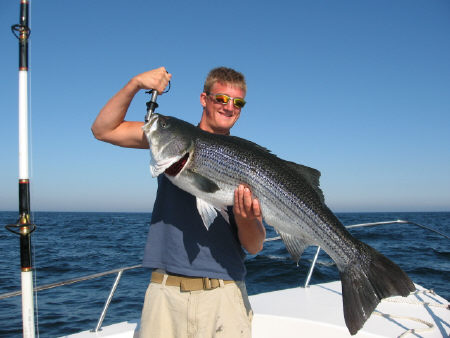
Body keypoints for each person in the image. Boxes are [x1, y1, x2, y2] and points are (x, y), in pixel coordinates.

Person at [91, 66, 266, 337]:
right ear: (204, 99)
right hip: (165, 293)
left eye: (237, 102)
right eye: (221, 98)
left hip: (226, 294)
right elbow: (103, 129)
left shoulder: (248, 161)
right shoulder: (170, 135)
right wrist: (135, 84)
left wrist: (246, 218)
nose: (229, 107)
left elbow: (254, 246)